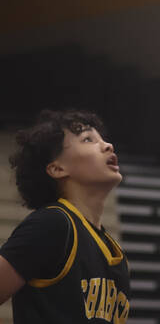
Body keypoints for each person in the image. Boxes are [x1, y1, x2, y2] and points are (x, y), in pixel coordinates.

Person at [0, 109, 130, 323]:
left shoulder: (114, 251)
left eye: (103, 139)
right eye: (88, 139)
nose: (108, 145)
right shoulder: (53, 224)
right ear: (57, 168)